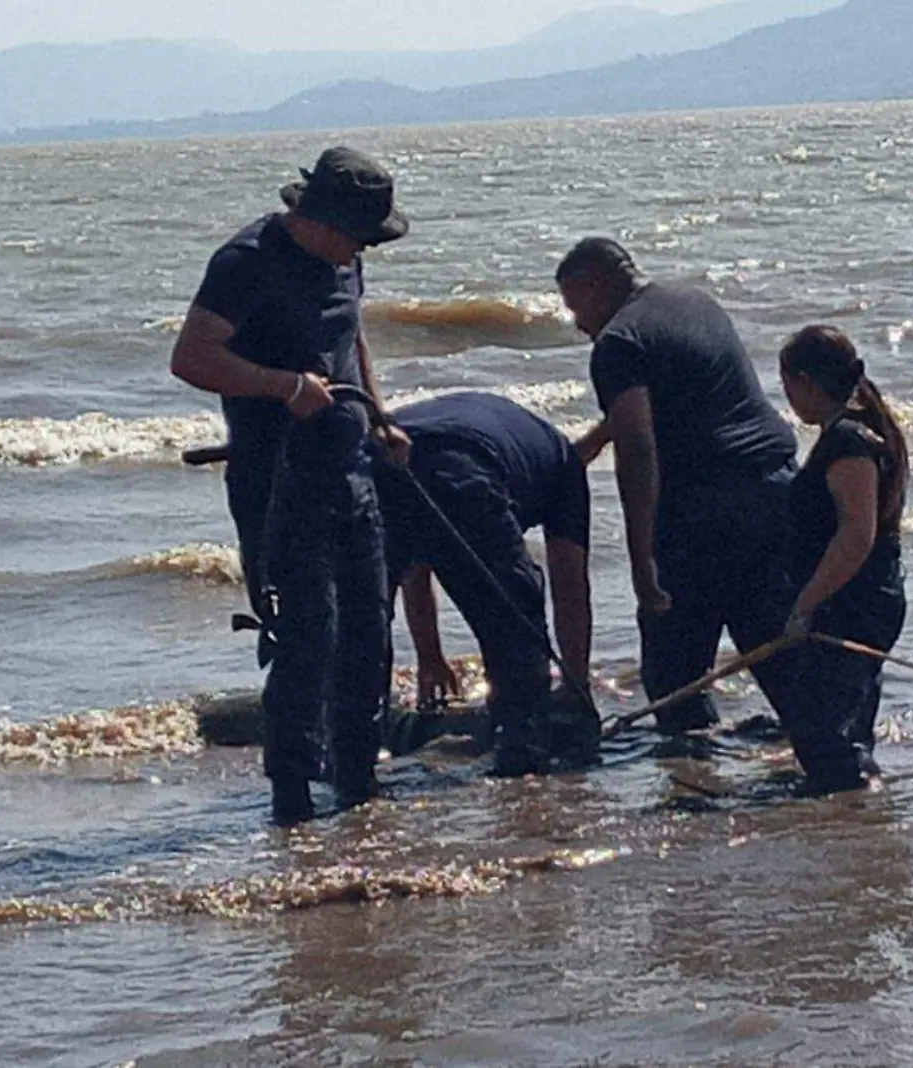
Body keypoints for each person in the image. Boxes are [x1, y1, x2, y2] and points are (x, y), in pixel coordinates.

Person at [170, 146, 412, 825]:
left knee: (370, 629)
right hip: (277, 480)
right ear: (318, 218)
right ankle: (293, 800)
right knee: (309, 637)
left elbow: (351, 335)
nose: (362, 250)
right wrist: (283, 387)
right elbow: (190, 357)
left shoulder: (346, 259)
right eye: (357, 237)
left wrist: (380, 416)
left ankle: (360, 785)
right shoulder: (245, 263)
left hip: (350, 468)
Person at [556, 237, 800, 735]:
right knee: (778, 651)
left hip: (703, 512)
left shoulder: (619, 341)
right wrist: (581, 449)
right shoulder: (694, 303)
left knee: (672, 674)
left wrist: (642, 559)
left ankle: (694, 789)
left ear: (597, 283)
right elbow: (678, 394)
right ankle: (831, 772)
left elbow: (638, 449)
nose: (578, 322)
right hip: (776, 491)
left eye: (575, 304)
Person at [378, 391, 596, 776]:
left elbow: (416, 561)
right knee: (515, 618)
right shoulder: (565, 470)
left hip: (388, 454)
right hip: (465, 464)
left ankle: (356, 756)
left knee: (366, 619)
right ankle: (523, 751)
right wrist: (577, 685)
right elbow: (570, 586)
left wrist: (430, 657)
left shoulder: (531, 447)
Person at [778, 325, 910, 794]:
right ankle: (854, 801)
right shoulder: (854, 433)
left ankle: (854, 810)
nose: (788, 397)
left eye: (787, 385)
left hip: (852, 605)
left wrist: (805, 603)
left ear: (807, 382)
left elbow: (857, 534)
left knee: (825, 731)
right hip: (857, 600)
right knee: (840, 721)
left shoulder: (850, 442)